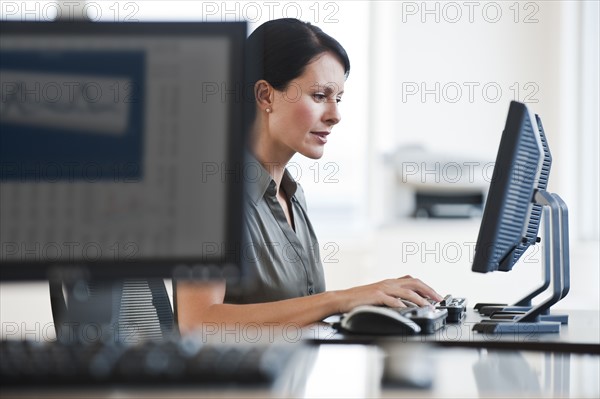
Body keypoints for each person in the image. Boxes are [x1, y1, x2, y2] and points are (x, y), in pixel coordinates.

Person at [176, 18, 443, 334]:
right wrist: (339, 300)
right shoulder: (212, 195)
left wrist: (366, 303)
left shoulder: (291, 196)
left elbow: (302, 318)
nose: (335, 115)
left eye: (338, 99)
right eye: (319, 96)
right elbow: (197, 323)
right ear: (265, 96)